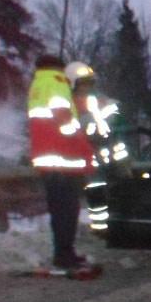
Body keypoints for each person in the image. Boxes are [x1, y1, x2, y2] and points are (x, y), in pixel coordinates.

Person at [27, 56, 95, 269]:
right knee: (68, 210)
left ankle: (63, 253)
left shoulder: (38, 84)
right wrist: (84, 146)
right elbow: (64, 121)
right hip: (63, 160)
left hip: (47, 159)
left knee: (59, 210)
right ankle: (65, 255)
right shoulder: (57, 83)